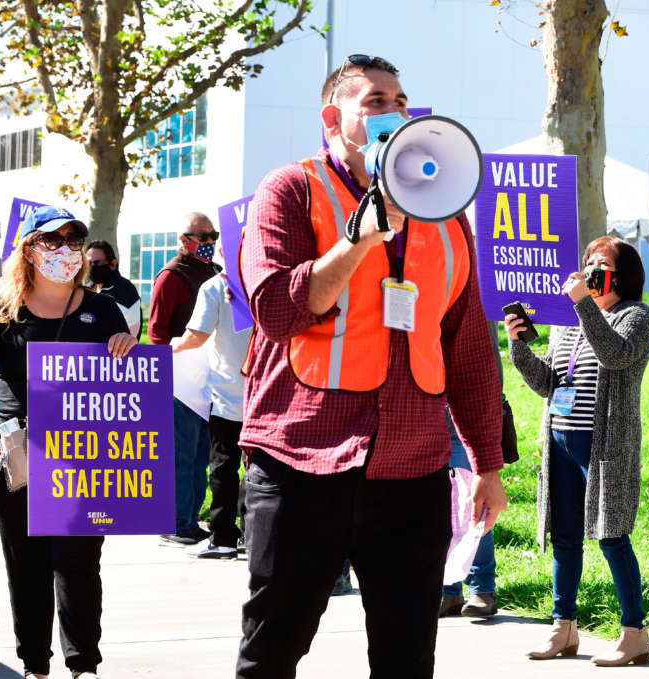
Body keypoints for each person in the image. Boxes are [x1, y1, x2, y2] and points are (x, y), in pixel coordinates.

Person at [235, 54, 506, 679]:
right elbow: (277, 310)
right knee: (273, 650)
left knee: (407, 656)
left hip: (412, 468)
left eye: (400, 100)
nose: (394, 112)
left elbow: (467, 351)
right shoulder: (291, 189)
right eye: (376, 102)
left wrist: (487, 465)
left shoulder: (447, 215)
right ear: (335, 119)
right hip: (302, 461)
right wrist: (360, 238)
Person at [0, 206, 137, 679]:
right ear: (28, 249)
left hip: (81, 458)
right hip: (15, 455)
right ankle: (35, 666)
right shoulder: (2, 306)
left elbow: (123, 385)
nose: (66, 249)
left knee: (79, 560)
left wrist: (127, 351)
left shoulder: (102, 307)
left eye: (73, 240)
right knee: (25, 562)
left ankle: (83, 665)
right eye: (54, 240)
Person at [507, 236, 649, 667]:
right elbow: (546, 383)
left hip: (604, 445)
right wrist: (519, 346)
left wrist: (583, 306)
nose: (591, 268)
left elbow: (614, 355)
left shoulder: (635, 316)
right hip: (560, 441)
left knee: (611, 536)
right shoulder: (569, 323)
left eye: (601, 263)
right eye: (588, 260)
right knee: (565, 538)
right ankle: (563, 628)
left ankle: (634, 632)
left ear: (622, 273)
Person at [170, 272, 251, 559]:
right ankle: (252, 535)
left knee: (223, 467)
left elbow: (198, 335)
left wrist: (173, 346)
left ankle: (224, 537)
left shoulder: (216, 286)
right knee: (257, 469)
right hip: (268, 393)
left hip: (228, 393)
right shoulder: (272, 275)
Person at [150, 212, 220, 545]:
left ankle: (190, 518)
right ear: (184, 240)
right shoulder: (171, 276)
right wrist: (167, 372)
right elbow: (157, 333)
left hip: (209, 378)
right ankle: (176, 521)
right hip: (180, 379)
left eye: (213, 236)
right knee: (181, 454)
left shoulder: (214, 274)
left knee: (200, 454)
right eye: (202, 237)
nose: (208, 243)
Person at [439, 320, 505, 618]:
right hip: (427, 417)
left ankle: (482, 588)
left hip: (464, 424)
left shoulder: (472, 295)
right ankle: (448, 591)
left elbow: (487, 362)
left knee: (474, 507)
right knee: (440, 509)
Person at [84, 240, 141, 337]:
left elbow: (130, 332)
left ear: (113, 264)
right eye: (89, 263)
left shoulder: (125, 289)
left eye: (97, 263)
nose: (92, 267)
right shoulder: (89, 288)